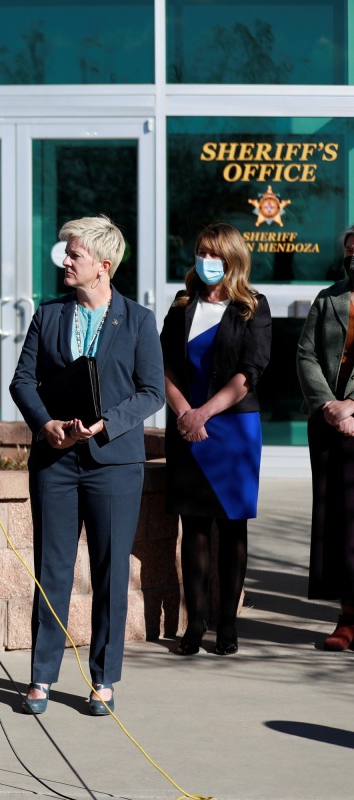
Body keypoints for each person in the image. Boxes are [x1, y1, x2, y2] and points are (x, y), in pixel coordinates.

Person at [9, 215, 163, 715]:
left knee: (110, 572)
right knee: (52, 569)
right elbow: (23, 381)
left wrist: (106, 424)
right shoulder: (49, 314)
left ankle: (103, 679)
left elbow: (152, 393)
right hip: (55, 460)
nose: (66, 261)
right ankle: (42, 677)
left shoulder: (138, 320)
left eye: (74, 254)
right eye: (66, 252)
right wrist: (44, 423)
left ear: (104, 265)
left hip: (114, 462)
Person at [162, 223, 271, 657]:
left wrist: (202, 413)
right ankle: (196, 624)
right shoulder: (181, 304)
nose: (206, 262)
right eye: (201, 253)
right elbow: (164, 366)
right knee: (194, 528)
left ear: (232, 260)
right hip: (187, 424)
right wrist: (184, 413)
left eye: (215, 255)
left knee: (231, 528)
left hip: (233, 429)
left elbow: (250, 372)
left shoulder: (252, 307)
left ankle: (228, 625)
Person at [297, 225, 354, 651]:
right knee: (339, 524)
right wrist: (329, 405)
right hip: (330, 425)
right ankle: (347, 617)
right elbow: (306, 354)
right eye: (349, 251)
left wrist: (353, 405)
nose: (352, 257)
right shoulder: (329, 298)